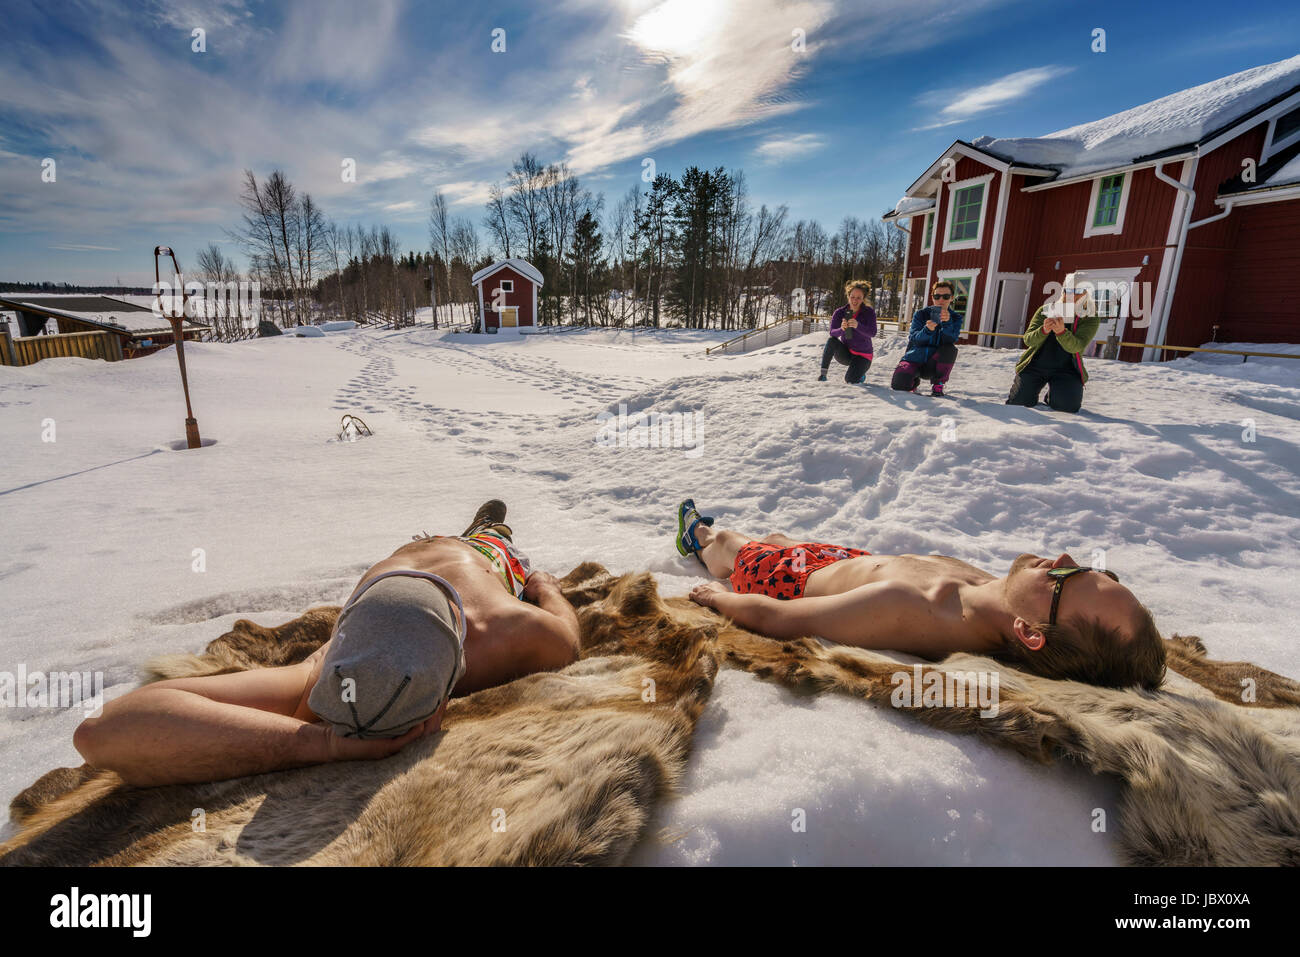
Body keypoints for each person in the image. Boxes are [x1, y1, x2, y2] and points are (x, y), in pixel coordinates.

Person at [73, 500, 582, 787]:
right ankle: (482, 531)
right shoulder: (514, 630)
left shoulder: (316, 673)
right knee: (484, 544)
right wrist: (544, 588)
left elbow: (102, 732)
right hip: (438, 560)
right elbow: (95, 736)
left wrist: (319, 741)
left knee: (492, 542)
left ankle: (487, 530)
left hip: (444, 560)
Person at [674, 500, 1165, 689]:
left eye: (1067, 580)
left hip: (793, 582)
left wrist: (715, 598)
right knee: (781, 538)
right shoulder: (1000, 595)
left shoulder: (911, 611)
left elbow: (781, 619)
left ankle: (694, 533)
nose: (1062, 559)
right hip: (850, 561)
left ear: (1029, 633)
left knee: (731, 548)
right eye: (1091, 570)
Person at [1005, 275, 1101, 413]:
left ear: (1086, 293)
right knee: (1018, 404)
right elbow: (1028, 340)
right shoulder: (1046, 310)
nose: (1072, 295)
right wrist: (1043, 330)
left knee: (1067, 407)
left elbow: (1077, 347)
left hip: (1067, 369)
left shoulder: (1090, 317)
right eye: (1069, 290)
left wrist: (1061, 332)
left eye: (1078, 291)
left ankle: (1054, 395)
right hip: (1035, 365)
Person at [891, 280, 963, 396]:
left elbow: (950, 340)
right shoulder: (921, 314)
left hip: (934, 364)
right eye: (937, 296)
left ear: (951, 298)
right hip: (914, 358)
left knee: (950, 349)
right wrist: (927, 330)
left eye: (945, 296)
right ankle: (913, 380)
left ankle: (938, 384)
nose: (941, 300)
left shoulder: (955, 318)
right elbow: (914, 338)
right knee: (898, 385)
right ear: (932, 297)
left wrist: (947, 323)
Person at [818, 280, 877, 383]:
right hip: (847, 353)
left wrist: (858, 326)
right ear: (848, 296)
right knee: (832, 341)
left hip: (863, 356)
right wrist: (841, 329)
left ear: (863, 298)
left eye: (859, 298)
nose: (855, 300)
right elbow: (832, 332)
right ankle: (823, 375)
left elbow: (872, 332)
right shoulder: (840, 312)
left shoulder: (869, 312)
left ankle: (860, 374)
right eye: (852, 297)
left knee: (850, 380)